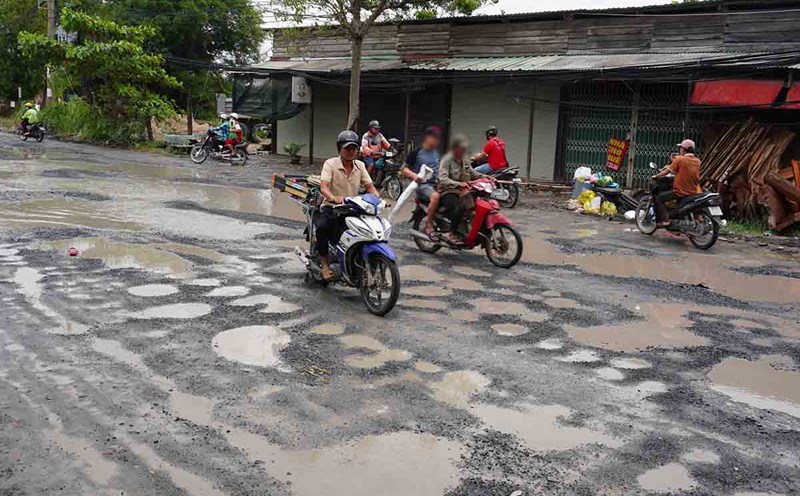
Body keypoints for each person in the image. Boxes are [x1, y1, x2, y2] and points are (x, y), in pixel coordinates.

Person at [317, 130, 382, 281]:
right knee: (322, 228)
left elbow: (370, 187)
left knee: (366, 231)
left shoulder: (360, 165)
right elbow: (324, 187)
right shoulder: (330, 164)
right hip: (332, 207)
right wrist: (332, 198)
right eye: (347, 148)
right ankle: (325, 264)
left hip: (353, 207)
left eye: (354, 148)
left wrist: (379, 200)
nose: (351, 151)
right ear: (339, 148)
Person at [438, 134, 486, 242]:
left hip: (463, 191)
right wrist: (458, 184)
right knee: (459, 207)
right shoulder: (447, 160)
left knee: (476, 205)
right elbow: (442, 178)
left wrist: (487, 177)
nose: (464, 150)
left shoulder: (465, 159)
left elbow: (473, 173)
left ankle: (469, 230)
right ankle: (451, 232)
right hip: (448, 191)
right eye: (461, 148)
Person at [400, 127, 442, 235]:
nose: (436, 140)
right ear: (427, 138)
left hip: (436, 184)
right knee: (435, 197)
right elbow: (403, 168)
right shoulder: (417, 152)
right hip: (423, 186)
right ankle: (428, 225)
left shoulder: (436, 153)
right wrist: (414, 176)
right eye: (434, 138)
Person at [652, 139, 702, 227]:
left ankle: (664, 220)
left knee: (659, 199)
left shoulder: (680, 159)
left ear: (683, 149)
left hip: (681, 191)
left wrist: (657, 176)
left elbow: (667, 171)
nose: (680, 150)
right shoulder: (697, 161)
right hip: (693, 191)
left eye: (681, 148)